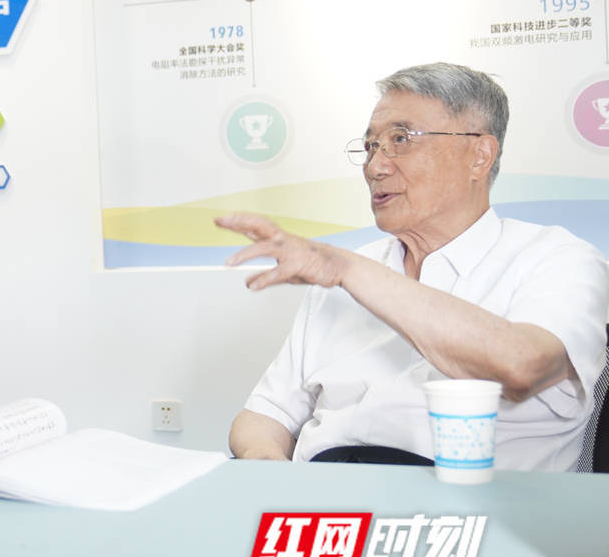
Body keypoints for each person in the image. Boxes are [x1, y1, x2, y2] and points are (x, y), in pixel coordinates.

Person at [221, 63, 608, 470]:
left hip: (469, 499)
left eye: (401, 140)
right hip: (325, 493)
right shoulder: (344, 271)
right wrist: (271, 471)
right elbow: (265, 414)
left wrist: (348, 271)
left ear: (479, 156)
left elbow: (522, 365)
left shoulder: (557, 257)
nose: (375, 167)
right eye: (371, 146)